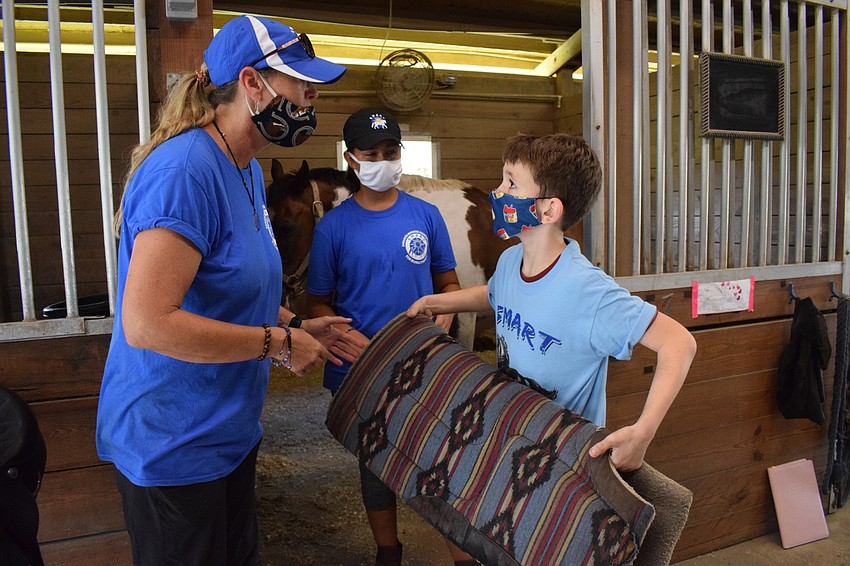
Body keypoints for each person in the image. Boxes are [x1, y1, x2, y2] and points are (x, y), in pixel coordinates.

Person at [96, 15, 361, 566]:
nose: (312, 99)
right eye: (301, 83)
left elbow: (231, 282)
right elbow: (147, 322)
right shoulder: (186, 171)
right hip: (173, 442)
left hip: (227, 433)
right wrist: (277, 345)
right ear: (252, 83)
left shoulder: (242, 167)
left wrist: (293, 324)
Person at [407, 133, 696, 475]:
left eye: (511, 184)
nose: (497, 193)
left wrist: (643, 433)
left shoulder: (589, 291)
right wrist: (437, 302)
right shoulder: (512, 260)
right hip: (514, 431)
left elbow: (679, 343)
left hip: (564, 459)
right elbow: (496, 292)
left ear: (548, 209)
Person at [305, 108, 475, 566]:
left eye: (390, 152)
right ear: (351, 159)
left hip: (423, 360)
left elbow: (449, 285)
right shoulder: (333, 228)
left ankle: (461, 554)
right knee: (375, 464)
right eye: (371, 154)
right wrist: (341, 338)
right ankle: (388, 551)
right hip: (362, 367)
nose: (383, 160)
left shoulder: (426, 215)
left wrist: (443, 316)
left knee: (438, 458)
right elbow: (317, 302)